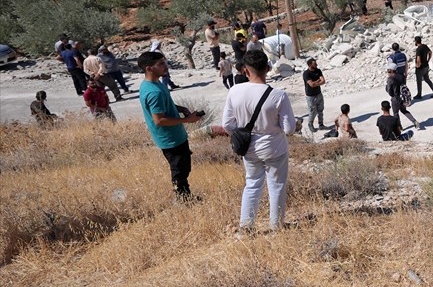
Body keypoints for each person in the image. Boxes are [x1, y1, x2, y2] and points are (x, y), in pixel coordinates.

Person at [221, 49, 296, 235]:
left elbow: (227, 125)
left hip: (248, 148)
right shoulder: (278, 95)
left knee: (252, 184)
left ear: (245, 71)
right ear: (268, 68)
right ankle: (276, 226)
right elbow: (289, 129)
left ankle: (246, 227)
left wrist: (243, 135)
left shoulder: (235, 91)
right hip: (274, 148)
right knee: (276, 186)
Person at [137, 50, 203, 200]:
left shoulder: (152, 84)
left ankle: (185, 196)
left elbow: (165, 106)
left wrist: (181, 109)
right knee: (179, 171)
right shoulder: (154, 92)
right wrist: (187, 120)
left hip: (175, 135)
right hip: (170, 138)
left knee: (183, 168)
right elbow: (159, 120)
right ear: (149, 68)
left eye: (165, 62)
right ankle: (183, 200)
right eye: (161, 64)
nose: (166, 66)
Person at [386, 65, 424, 130]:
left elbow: (389, 91)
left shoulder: (390, 79)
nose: (387, 72)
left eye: (388, 70)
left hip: (395, 98)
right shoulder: (401, 76)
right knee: (404, 110)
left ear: (392, 70)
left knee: (396, 113)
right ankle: (414, 121)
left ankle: (399, 127)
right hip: (403, 97)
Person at [302, 57, 327, 134]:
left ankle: (321, 124)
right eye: (314, 64)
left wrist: (315, 83)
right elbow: (311, 84)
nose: (316, 65)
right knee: (312, 111)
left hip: (318, 93)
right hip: (310, 96)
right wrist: (317, 81)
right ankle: (310, 124)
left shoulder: (318, 71)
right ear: (310, 65)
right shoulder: (306, 73)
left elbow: (323, 81)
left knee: (320, 110)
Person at [412, 35, 433, 99]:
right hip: (426, 66)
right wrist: (428, 60)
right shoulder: (425, 46)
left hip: (420, 68)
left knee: (419, 81)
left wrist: (417, 65)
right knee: (427, 79)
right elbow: (430, 52)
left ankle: (419, 94)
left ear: (416, 41)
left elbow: (418, 58)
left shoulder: (418, 49)